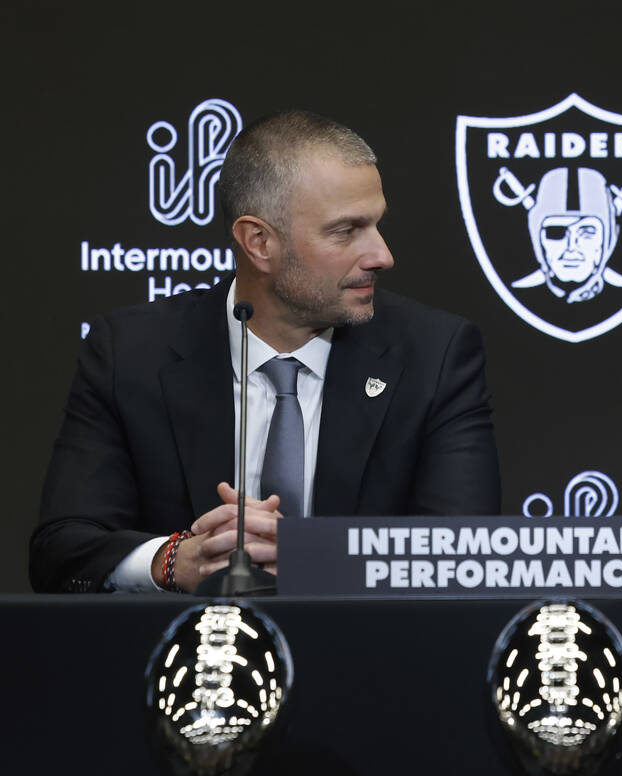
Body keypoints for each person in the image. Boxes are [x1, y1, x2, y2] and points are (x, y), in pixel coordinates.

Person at [31, 110, 501, 594]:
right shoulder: (129, 355)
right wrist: (175, 560)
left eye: (377, 225)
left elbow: (464, 554)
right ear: (258, 242)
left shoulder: (435, 354)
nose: (382, 255)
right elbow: (61, 551)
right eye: (346, 231)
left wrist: (312, 555)